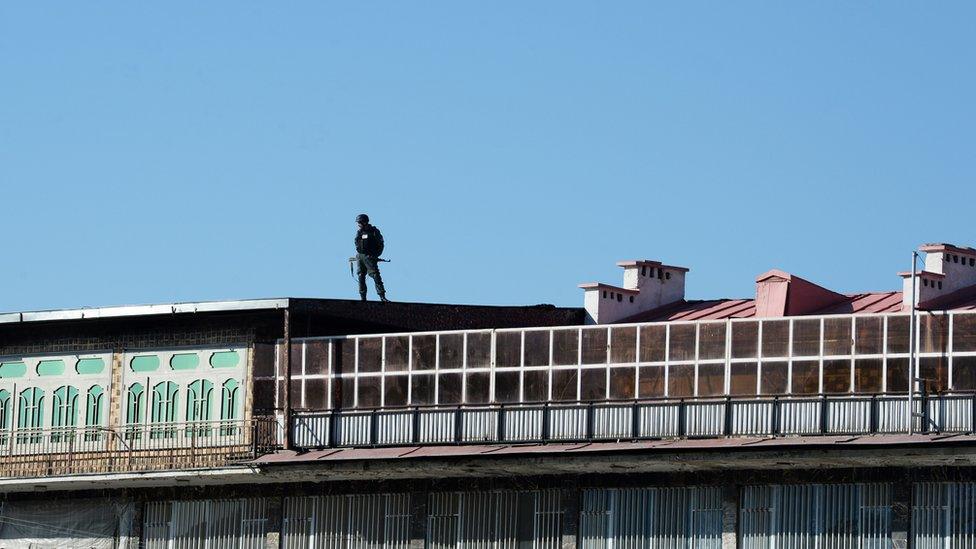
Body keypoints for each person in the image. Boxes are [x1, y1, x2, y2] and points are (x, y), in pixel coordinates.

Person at [354, 214, 388, 302]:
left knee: (375, 275)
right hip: (360, 256)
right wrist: (359, 253)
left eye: (360, 222)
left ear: (364, 222)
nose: (358, 224)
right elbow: (356, 242)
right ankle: (363, 298)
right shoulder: (359, 232)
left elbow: (381, 244)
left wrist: (375, 255)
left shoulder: (374, 231)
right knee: (361, 276)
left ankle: (382, 296)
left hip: (370, 256)